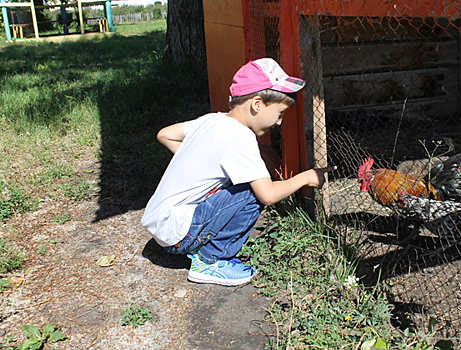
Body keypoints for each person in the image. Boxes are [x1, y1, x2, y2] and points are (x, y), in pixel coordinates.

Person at [141, 58, 336, 286]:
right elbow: (268, 195)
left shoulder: (211, 119)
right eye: (280, 113)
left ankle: (198, 245)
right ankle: (210, 261)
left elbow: (164, 134)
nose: (280, 122)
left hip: (161, 225)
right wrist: (308, 177)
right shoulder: (241, 136)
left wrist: (196, 162)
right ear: (257, 104)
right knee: (252, 193)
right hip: (178, 233)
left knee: (239, 185)